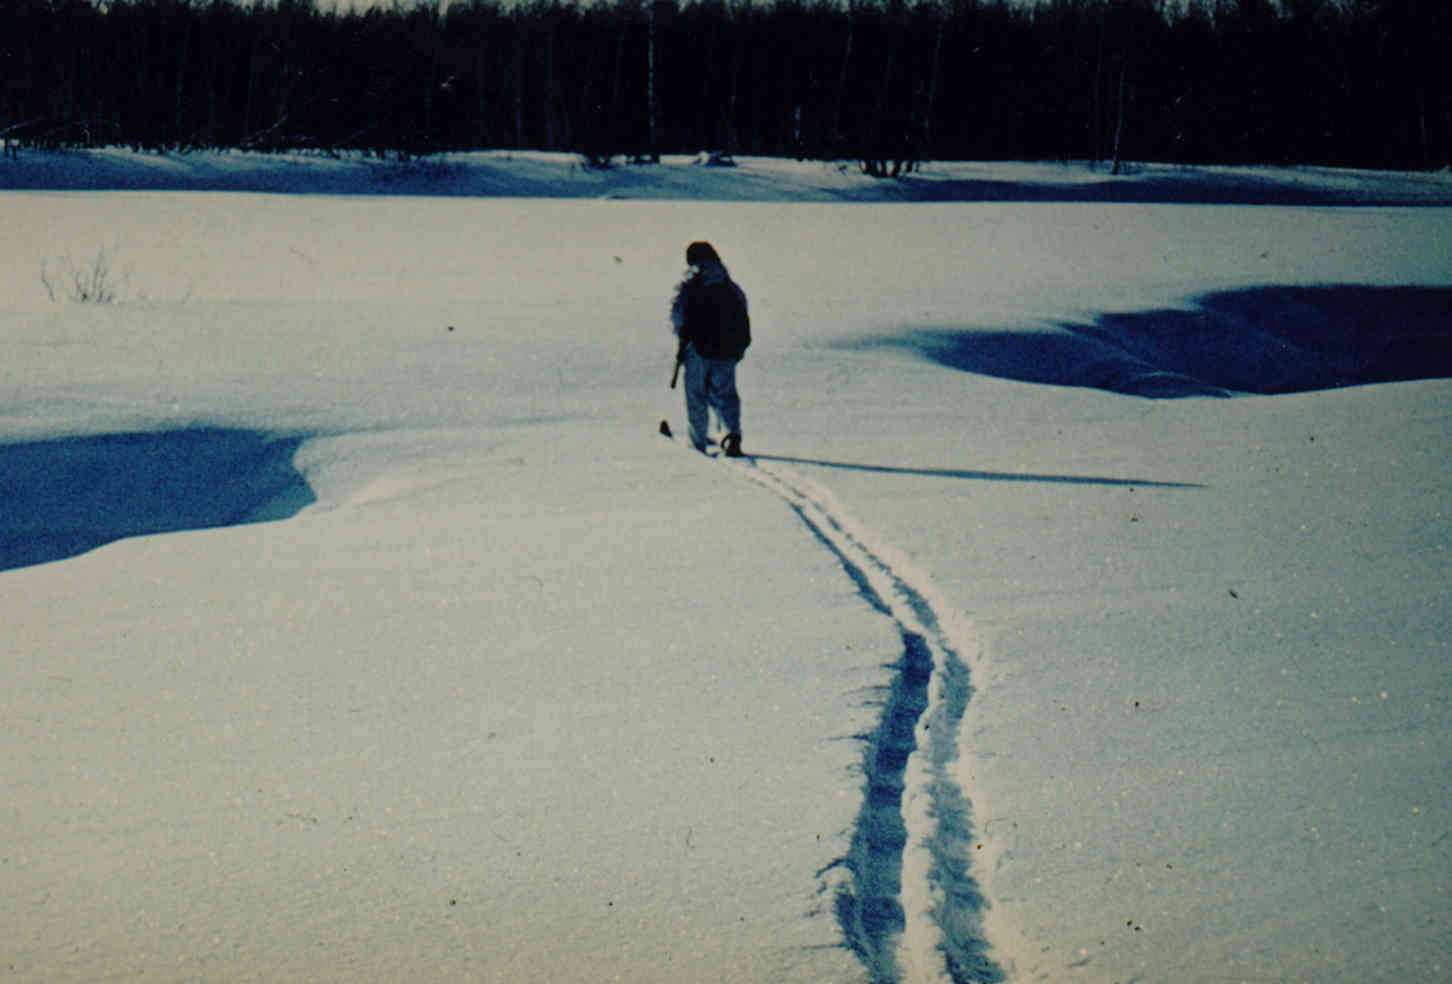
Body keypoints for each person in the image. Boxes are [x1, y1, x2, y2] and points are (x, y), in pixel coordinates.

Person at [670, 241, 750, 456]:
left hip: (697, 349)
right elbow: (742, 309)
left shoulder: (692, 282)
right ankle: (731, 434)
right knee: (725, 394)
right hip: (726, 351)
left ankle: (698, 443)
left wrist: (682, 338)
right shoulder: (728, 284)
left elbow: (678, 313)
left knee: (696, 395)